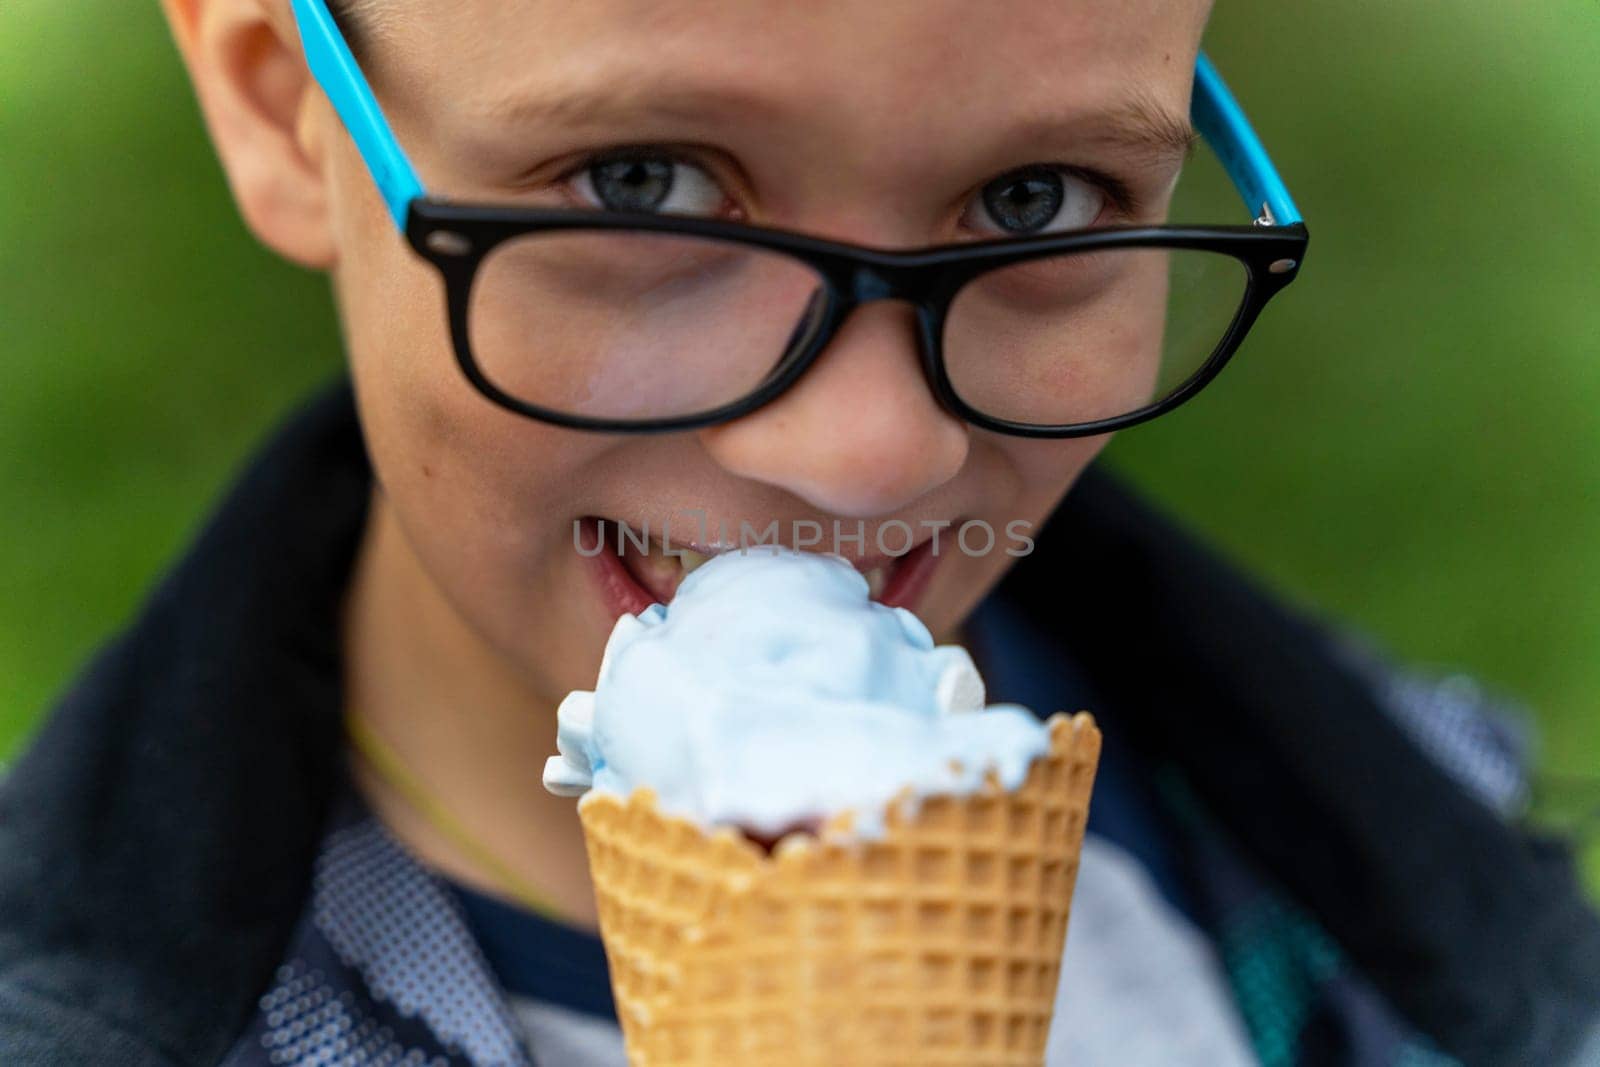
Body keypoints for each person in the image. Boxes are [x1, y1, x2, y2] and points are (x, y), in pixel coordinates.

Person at [1, 1, 1596, 1064]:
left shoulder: (1390, 889)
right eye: (645, 185)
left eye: (1039, 196)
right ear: (286, 109)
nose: (871, 452)